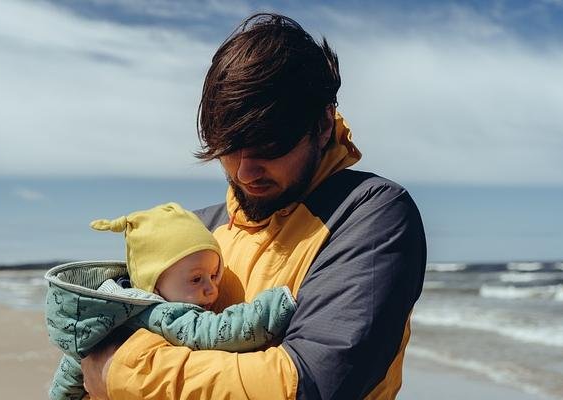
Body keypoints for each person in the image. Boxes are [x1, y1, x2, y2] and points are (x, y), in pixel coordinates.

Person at [82, 12, 427, 400]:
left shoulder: (369, 214)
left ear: (324, 124)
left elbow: (310, 383)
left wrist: (121, 371)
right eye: (228, 150)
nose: (245, 172)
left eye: (269, 148)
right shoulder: (198, 231)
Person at [46, 202, 295, 400]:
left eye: (214, 275)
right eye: (197, 279)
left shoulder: (109, 311)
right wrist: (274, 306)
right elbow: (217, 332)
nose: (212, 290)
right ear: (154, 283)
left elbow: (69, 371)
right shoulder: (162, 313)